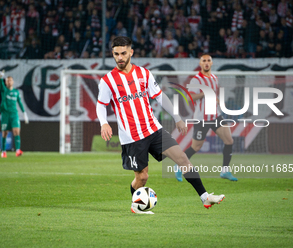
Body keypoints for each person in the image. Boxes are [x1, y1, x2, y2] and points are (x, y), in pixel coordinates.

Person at [96, 36, 225, 214]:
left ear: (131, 52)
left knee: (182, 159)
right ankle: (136, 205)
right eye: (116, 54)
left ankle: (205, 197)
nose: (120, 57)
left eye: (123, 53)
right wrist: (104, 123)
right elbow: (101, 105)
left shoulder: (144, 74)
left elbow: (160, 96)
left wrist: (177, 116)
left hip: (153, 129)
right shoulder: (107, 81)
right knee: (142, 178)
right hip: (132, 137)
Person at [174, 54, 237, 182]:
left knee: (229, 141)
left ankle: (225, 171)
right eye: (204, 61)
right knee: (196, 147)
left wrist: (217, 99)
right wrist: (204, 92)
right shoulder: (196, 80)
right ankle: (179, 165)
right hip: (202, 118)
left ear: (212, 63)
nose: (206, 63)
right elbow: (190, 98)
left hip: (215, 115)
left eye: (209, 60)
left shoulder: (214, 78)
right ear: (200, 64)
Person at [0, 70, 29, 158]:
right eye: (7, 80)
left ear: (13, 82)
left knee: (16, 131)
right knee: (5, 133)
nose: (9, 82)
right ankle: (3, 151)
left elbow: (20, 102)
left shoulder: (16, 92)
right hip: (5, 114)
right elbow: (0, 85)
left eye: (10, 80)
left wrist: (24, 113)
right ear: (6, 82)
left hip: (14, 114)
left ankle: (18, 150)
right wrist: (0, 78)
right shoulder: (4, 90)